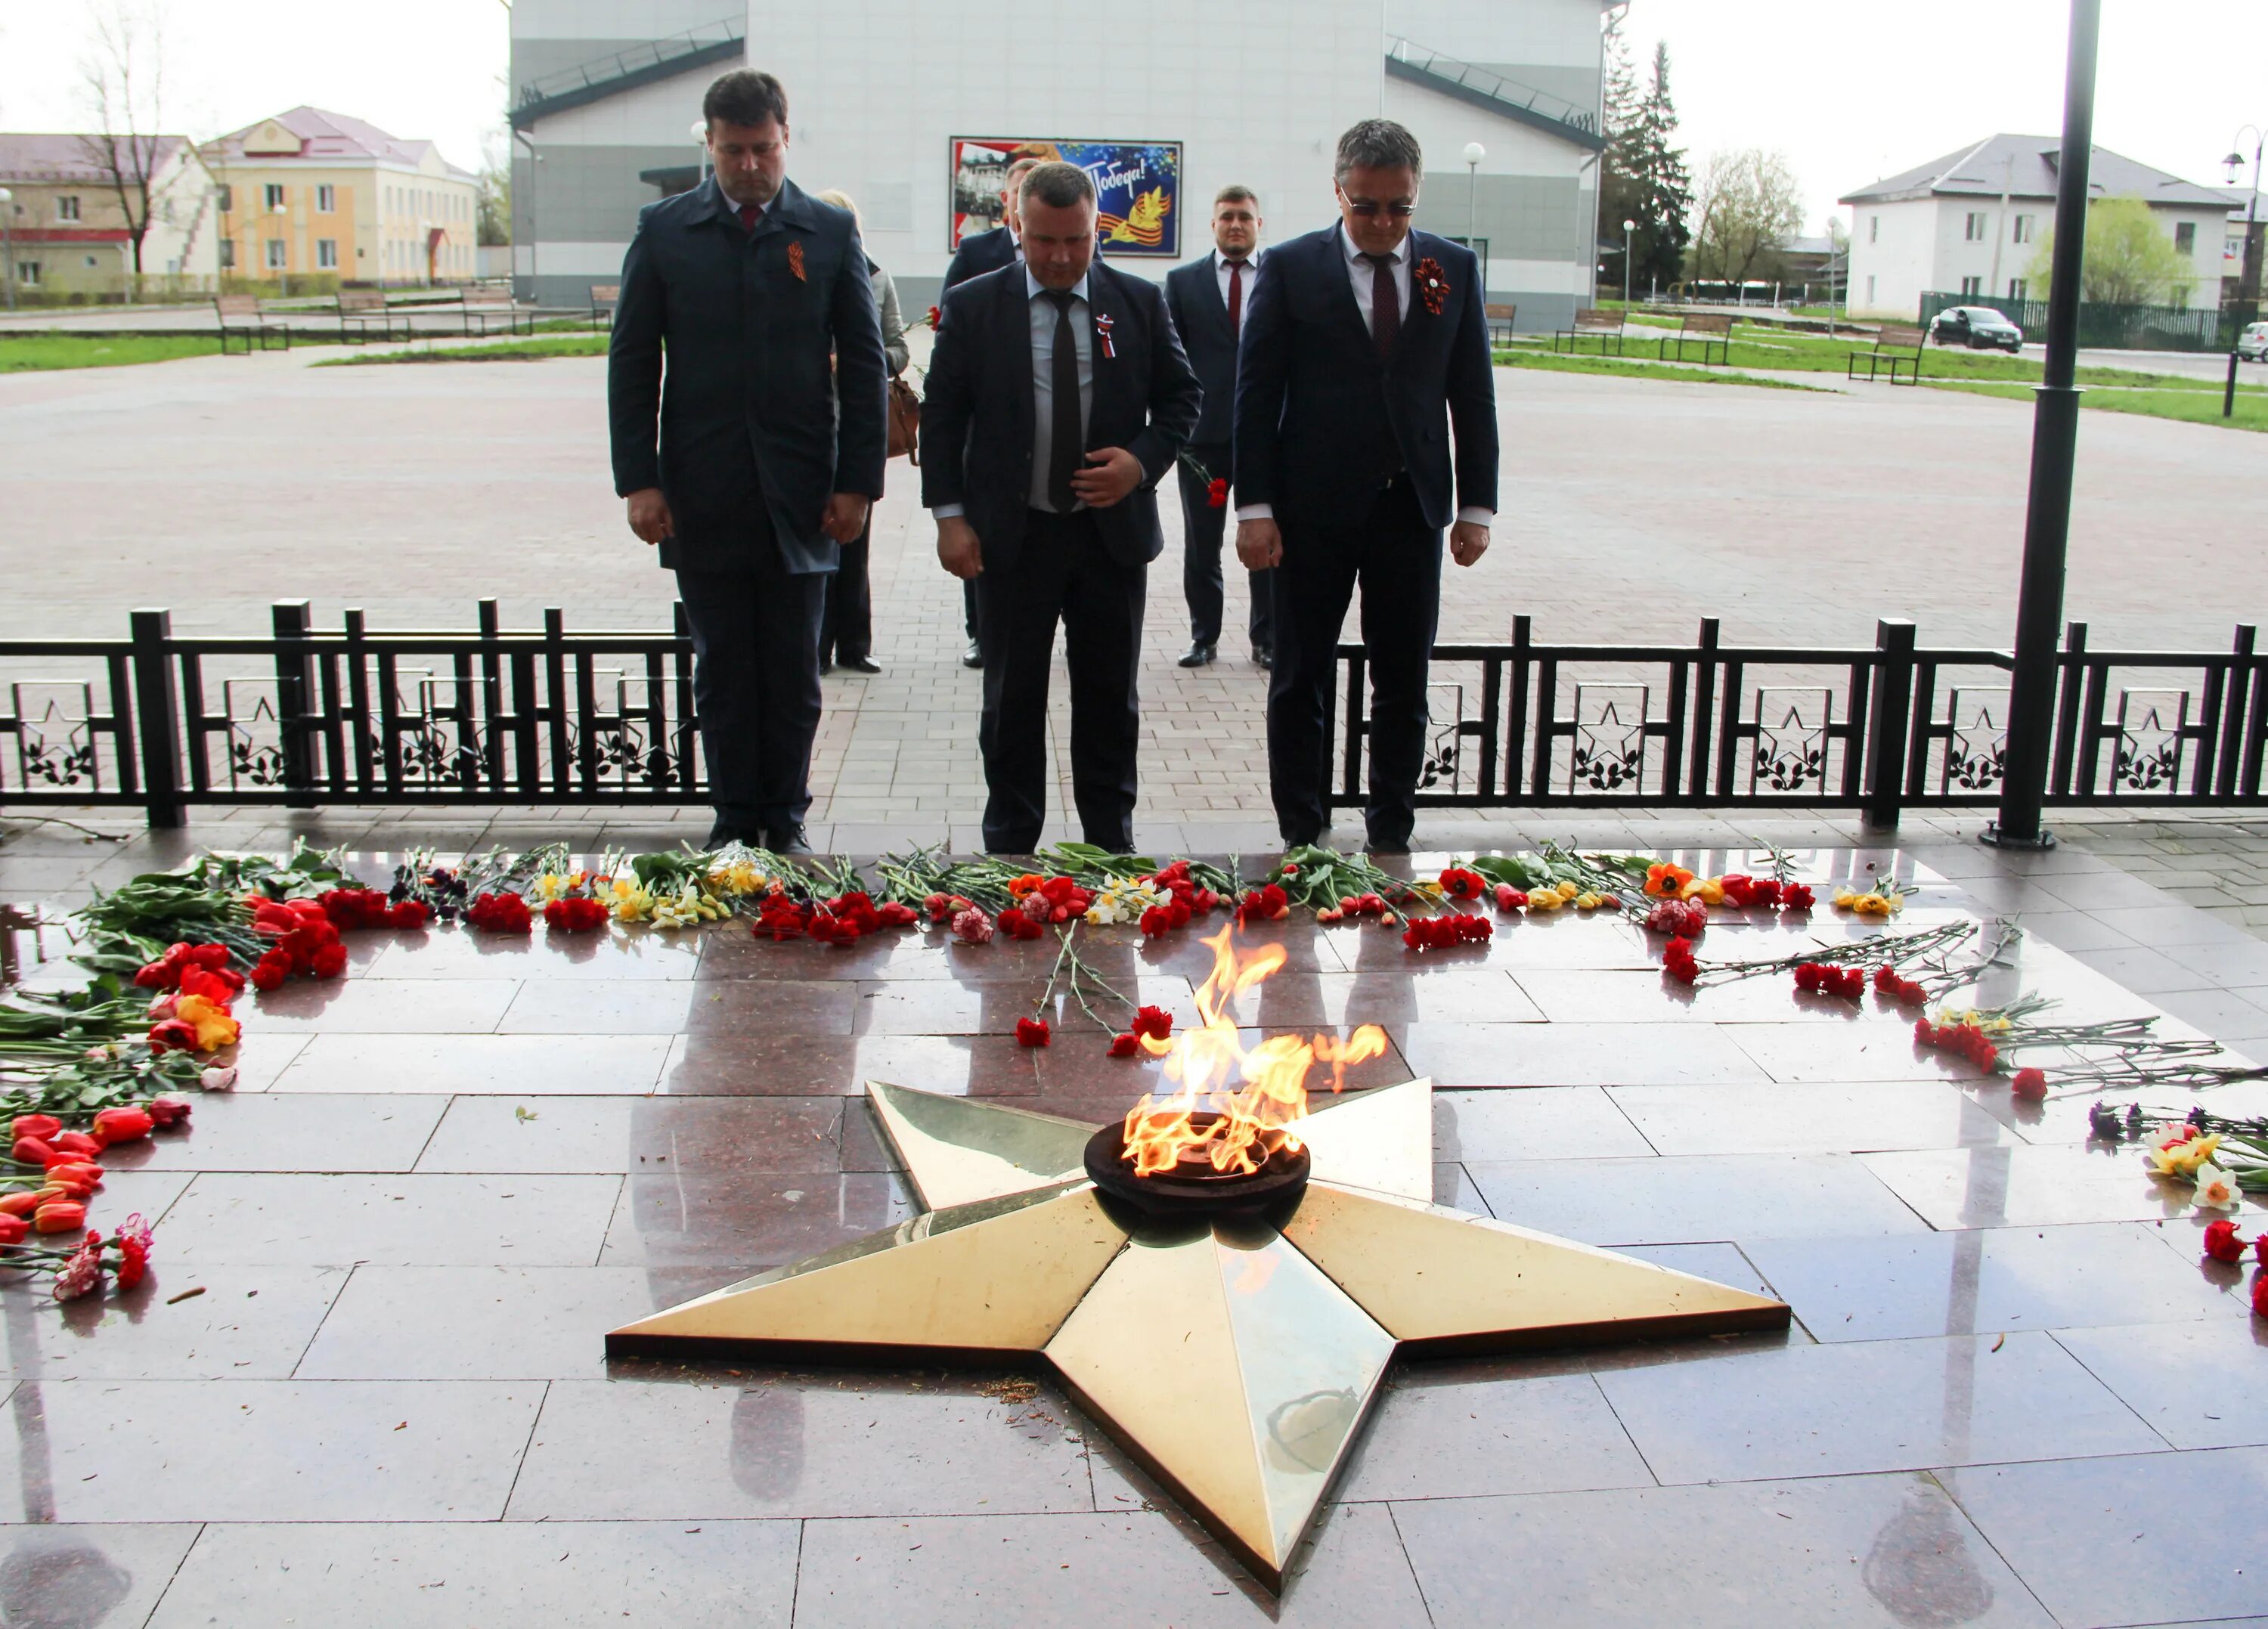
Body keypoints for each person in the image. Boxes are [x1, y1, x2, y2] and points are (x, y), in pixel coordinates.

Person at [608, 69, 887, 854]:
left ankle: (786, 818)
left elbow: (863, 367)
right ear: (711, 145)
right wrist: (640, 480)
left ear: (785, 139)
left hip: (804, 496)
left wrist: (857, 484)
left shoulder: (827, 233)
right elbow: (632, 364)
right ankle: (734, 821)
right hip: (702, 491)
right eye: (734, 151)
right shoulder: (665, 231)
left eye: (764, 149)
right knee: (723, 671)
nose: (751, 166)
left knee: (795, 674)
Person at [921, 160, 1201, 854]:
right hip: (1013, 537)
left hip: (1109, 539)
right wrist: (948, 518)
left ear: (1094, 229)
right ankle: (1011, 847)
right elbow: (944, 418)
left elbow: (1181, 399)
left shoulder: (1138, 302)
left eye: (1076, 241)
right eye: (1044, 241)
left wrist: (1140, 463)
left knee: (1110, 701)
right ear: (1017, 225)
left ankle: (1110, 845)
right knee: (1011, 699)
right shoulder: (975, 304)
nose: (1060, 257)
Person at [1234, 118, 1497, 854]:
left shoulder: (1452, 269)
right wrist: (1253, 508)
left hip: (1409, 509)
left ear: (1417, 196)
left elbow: (1472, 393)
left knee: (1403, 681)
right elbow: (1256, 395)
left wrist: (1476, 506)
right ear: (1339, 192)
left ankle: (1391, 830)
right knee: (1299, 679)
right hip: (1308, 513)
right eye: (1367, 205)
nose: (1384, 223)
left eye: (1399, 207)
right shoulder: (1289, 268)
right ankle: (1304, 828)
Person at [1164, 184, 1274, 670]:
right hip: (1201, 441)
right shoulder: (1182, 282)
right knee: (1201, 545)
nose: (1236, 225)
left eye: (1245, 218)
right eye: (1227, 216)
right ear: (1213, 225)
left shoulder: (1281, 277)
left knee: (1266, 539)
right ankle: (1203, 637)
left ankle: (1266, 639)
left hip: (1265, 437)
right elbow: (1169, 360)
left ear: (1258, 226)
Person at [940, 155, 1041, 670]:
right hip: (988, 417)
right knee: (981, 532)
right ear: (1009, 200)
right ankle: (979, 630)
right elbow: (949, 321)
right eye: (1022, 187)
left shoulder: (1069, 253)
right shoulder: (977, 250)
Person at [812, 187, 909, 677]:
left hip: (856, 424)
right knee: (815, 539)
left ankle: (854, 644)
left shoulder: (877, 278)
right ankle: (817, 647)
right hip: (808, 426)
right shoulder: (797, 271)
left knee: (855, 540)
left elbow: (898, 349)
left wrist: (860, 359)